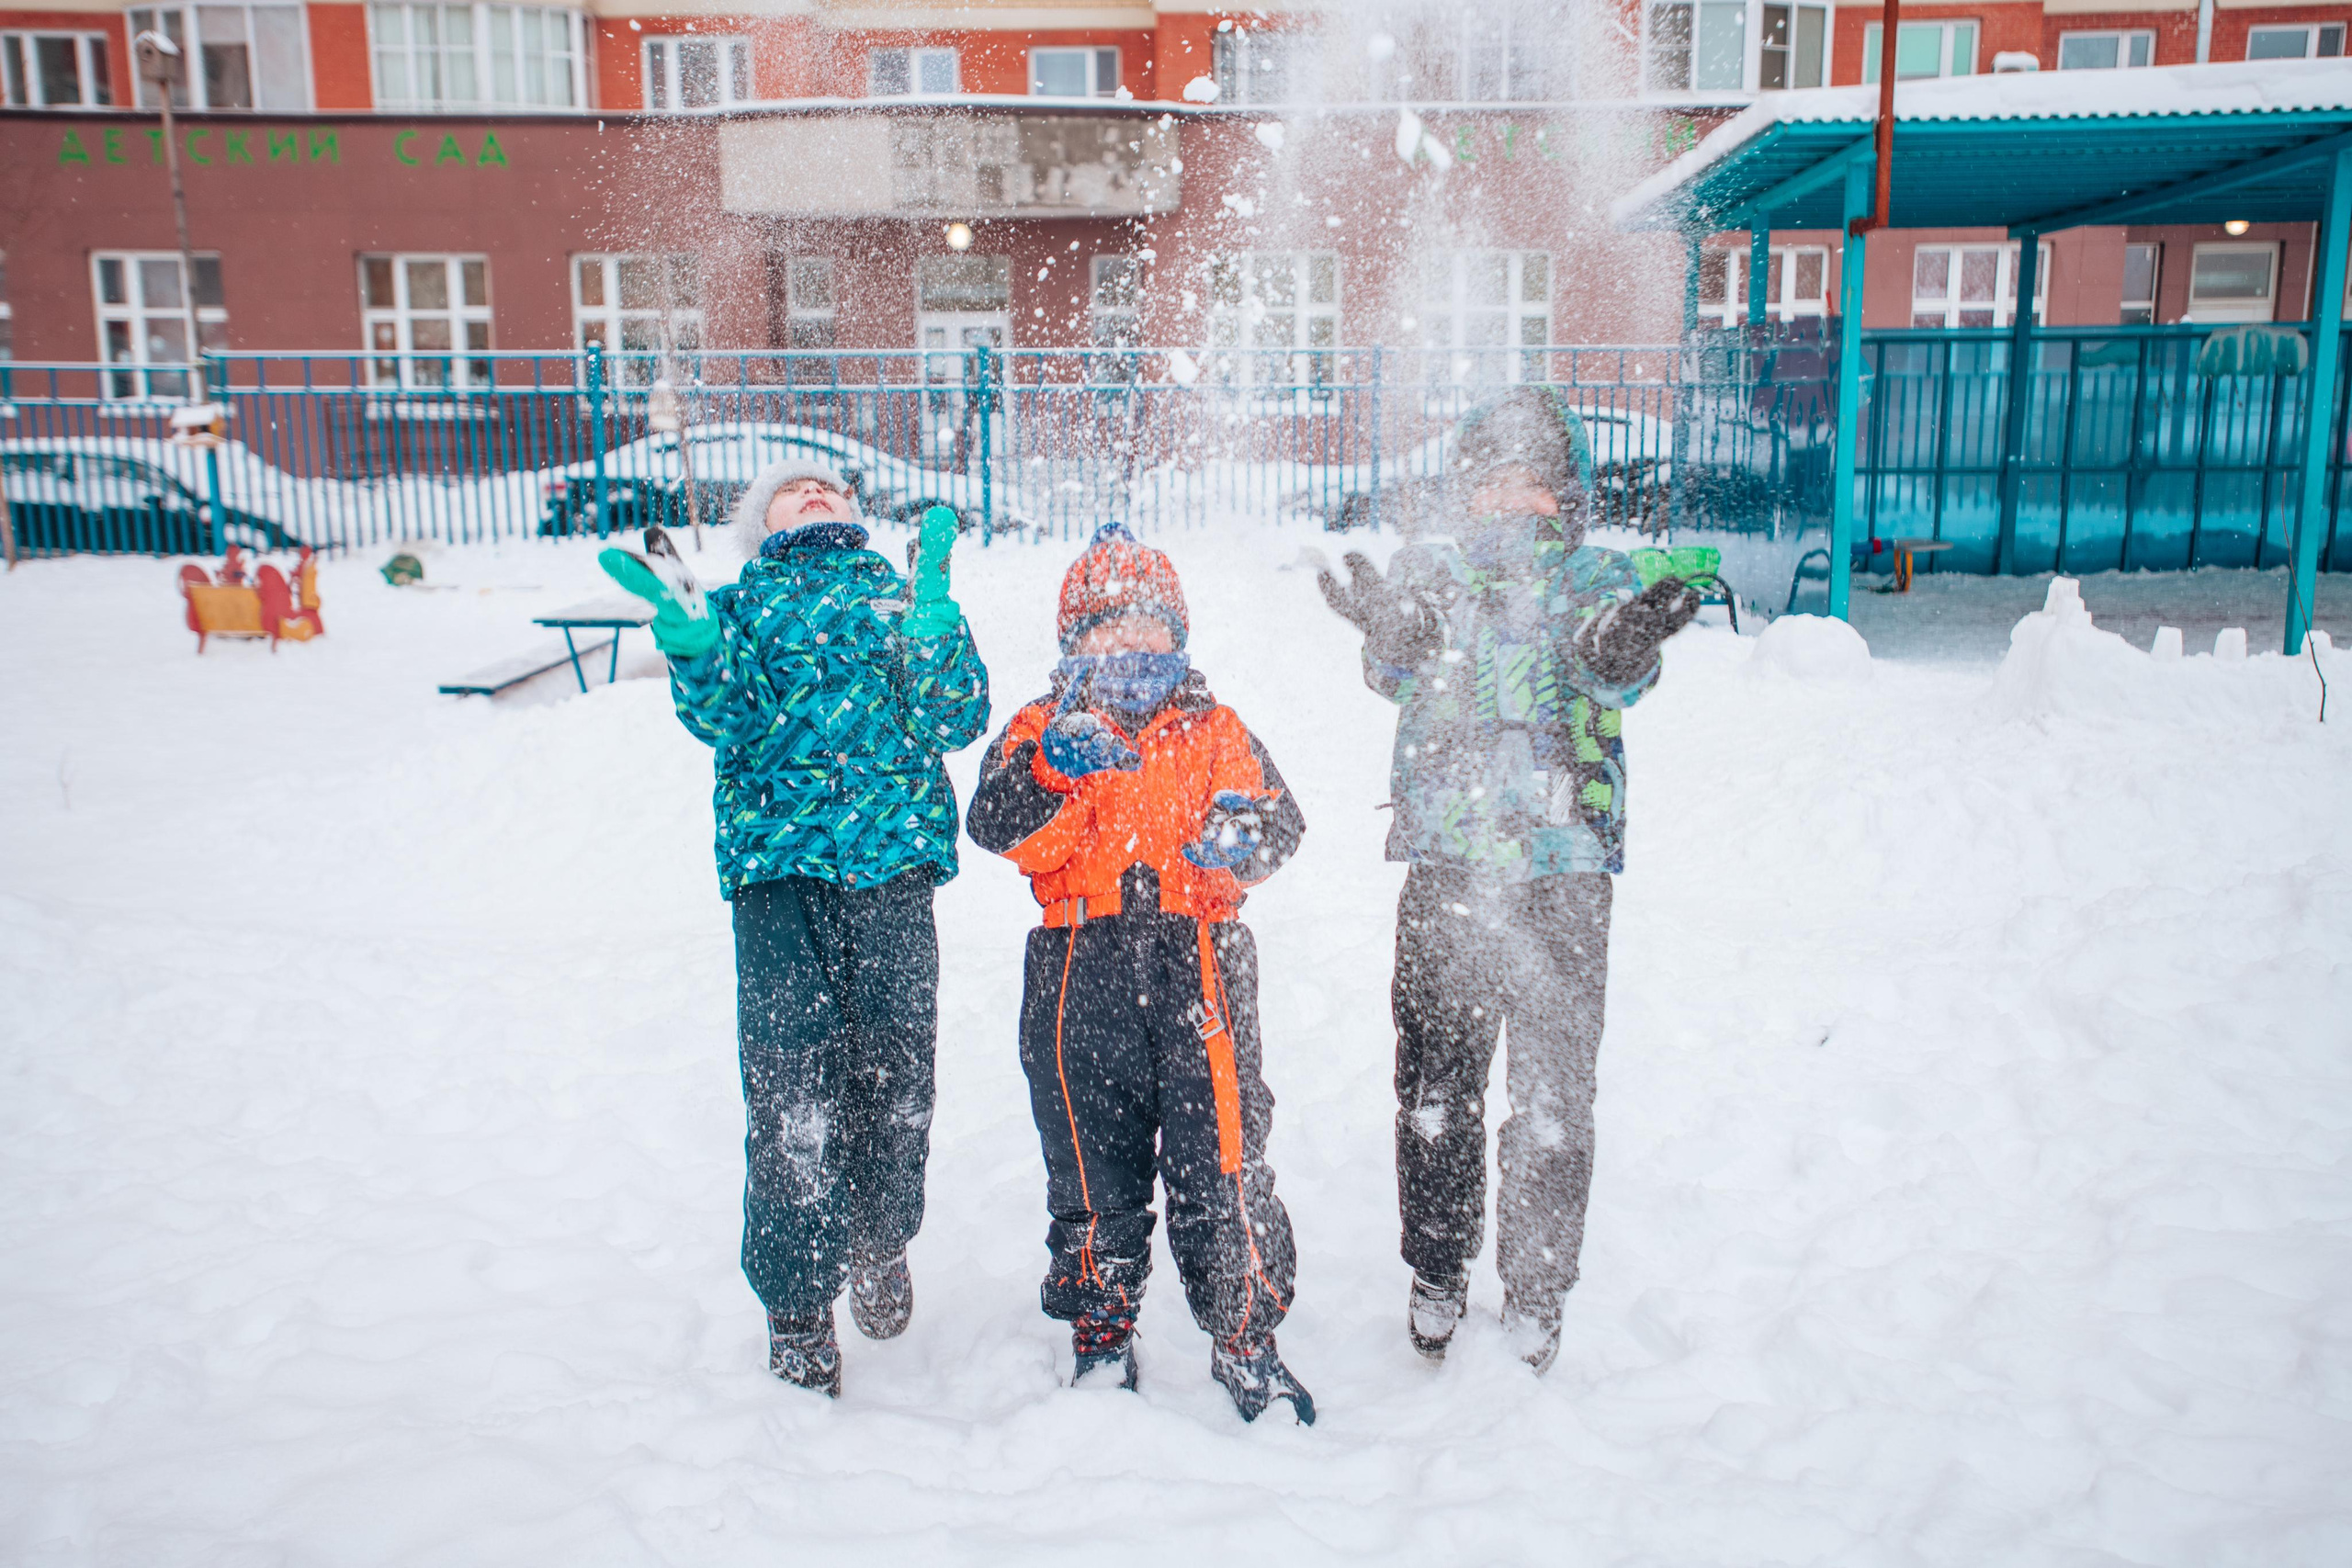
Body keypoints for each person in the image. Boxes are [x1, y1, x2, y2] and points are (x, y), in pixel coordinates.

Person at [1317, 387, 1702, 1375]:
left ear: (1565, 496)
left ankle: (1536, 1288)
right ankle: (1438, 1265)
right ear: (1466, 492)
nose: (1512, 499)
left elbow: (1614, 669)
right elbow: (1398, 667)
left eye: (1533, 482)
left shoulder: (1594, 577)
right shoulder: (1433, 575)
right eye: (1493, 481)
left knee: (1553, 1095)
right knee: (1435, 1084)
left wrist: (1622, 645)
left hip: (1563, 871)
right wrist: (1392, 632)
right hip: (1450, 865)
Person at [609, 459, 989, 1398]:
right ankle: (797, 1302)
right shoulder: (740, 604)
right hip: (779, 877)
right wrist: (694, 641)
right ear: (760, 522)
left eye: (827, 485)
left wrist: (934, 622)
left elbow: (954, 719)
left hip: (893, 868)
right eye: (789, 490)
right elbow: (726, 718)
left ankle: (879, 1241)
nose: (812, 492)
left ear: (854, 509)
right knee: (790, 1094)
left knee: (895, 1081)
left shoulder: (898, 597)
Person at [966, 523, 1316, 1425]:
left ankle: (1244, 1332)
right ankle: (1101, 1322)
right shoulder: (1043, 726)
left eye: (1147, 624)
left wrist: (1236, 835)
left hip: (1199, 961)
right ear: (1072, 642)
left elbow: (1278, 822)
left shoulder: (1214, 726)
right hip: (1078, 964)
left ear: (1179, 633)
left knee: (1221, 1155)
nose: (1128, 643)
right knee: (1089, 1160)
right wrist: (1053, 768)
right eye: (1105, 627)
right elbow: (994, 823)